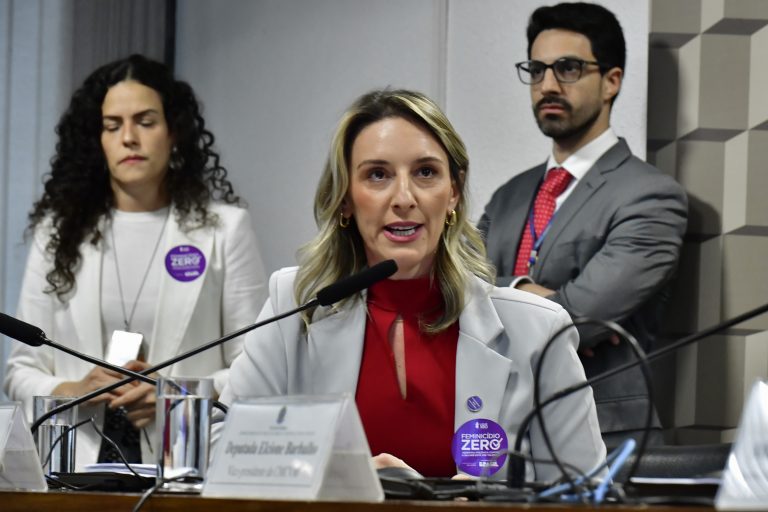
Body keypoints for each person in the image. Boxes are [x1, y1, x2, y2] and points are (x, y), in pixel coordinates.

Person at [220, 89, 605, 481]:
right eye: (377, 175)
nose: (404, 198)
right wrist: (339, 478)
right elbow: (222, 446)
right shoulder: (296, 305)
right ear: (345, 201)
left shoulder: (538, 330)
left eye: (425, 172)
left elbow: (587, 491)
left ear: (453, 192)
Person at [3, 54, 268, 469]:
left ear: (173, 132)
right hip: (72, 467)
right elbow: (20, 372)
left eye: (145, 122)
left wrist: (176, 394)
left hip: (185, 463)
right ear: (99, 139)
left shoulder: (225, 230)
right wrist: (75, 387)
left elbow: (255, 368)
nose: (129, 137)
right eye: (113, 126)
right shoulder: (57, 235)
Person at [478, 3, 688, 446]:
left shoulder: (650, 196)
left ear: (611, 81)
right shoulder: (507, 197)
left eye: (567, 68)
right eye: (537, 70)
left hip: (606, 438)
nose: (547, 85)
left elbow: (578, 322)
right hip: (500, 430)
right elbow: (455, 292)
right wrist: (523, 291)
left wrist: (508, 300)